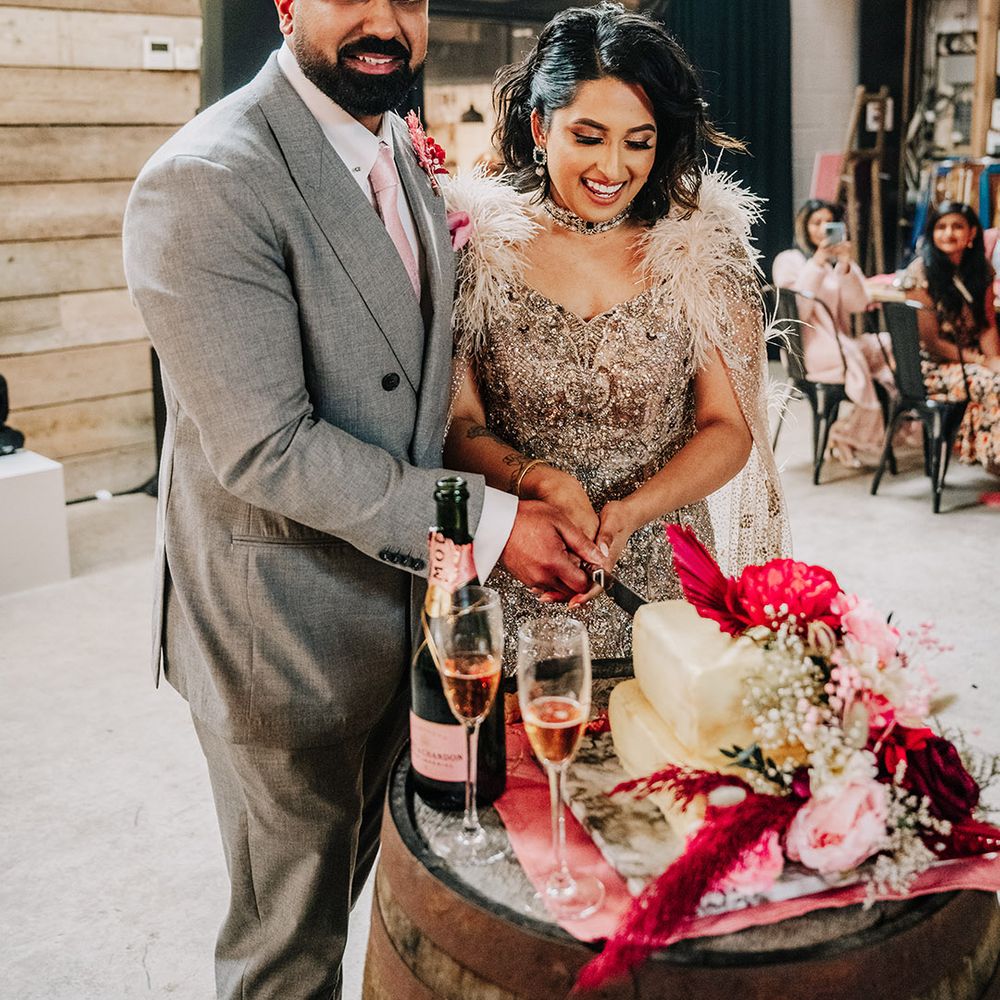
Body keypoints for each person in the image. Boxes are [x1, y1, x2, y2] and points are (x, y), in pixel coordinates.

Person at [121, 0, 606, 996]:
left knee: (356, 896)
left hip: (406, 618)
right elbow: (268, 450)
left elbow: (410, 394)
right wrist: (497, 526)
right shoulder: (205, 180)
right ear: (286, 4)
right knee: (288, 947)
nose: (386, 20)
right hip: (281, 635)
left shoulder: (396, 149)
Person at [443, 3, 790, 661]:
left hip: (663, 586)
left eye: (638, 141)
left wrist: (633, 510)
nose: (612, 168)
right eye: (589, 136)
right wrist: (538, 480)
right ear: (541, 126)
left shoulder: (698, 252)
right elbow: (457, 424)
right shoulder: (476, 249)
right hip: (521, 572)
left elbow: (728, 429)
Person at [772, 199, 894, 468]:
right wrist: (817, 262)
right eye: (816, 223)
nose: (823, 228)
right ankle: (844, 435)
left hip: (840, 343)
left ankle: (855, 431)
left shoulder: (834, 264)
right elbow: (798, 312)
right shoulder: (789, 260)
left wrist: (846, 265)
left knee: (889, 346)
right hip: (808, 349)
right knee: (855, 358)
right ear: (804, 227)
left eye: (830, 222)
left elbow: (858, 304)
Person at [902, 201, 1000, 476]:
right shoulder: (920, 272)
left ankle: (989, 458)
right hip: (932, 367)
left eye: (957, 226)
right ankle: (995, 465)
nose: (948, 233)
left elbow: (986, 324)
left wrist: (994, 359)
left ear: (972, 233)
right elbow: (932, 342)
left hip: (970, 360)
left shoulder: (981, 269)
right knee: (994, 384)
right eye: (941, 227)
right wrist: (982, 362)